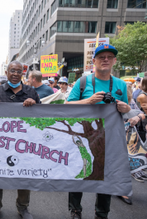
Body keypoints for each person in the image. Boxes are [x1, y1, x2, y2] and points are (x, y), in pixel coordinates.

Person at [66, 44, 131, 219]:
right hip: (86, 135)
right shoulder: (83, 82)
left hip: (110, 138)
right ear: (94, 60)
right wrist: (88, 101)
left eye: (110, 57)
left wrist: (125, 108)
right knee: (80, 169)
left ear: (114, 61)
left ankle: (101, 213)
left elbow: (126, 112)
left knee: (107, 175)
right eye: (102, 57)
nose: (106, 60)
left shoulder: (121, 85)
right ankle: (75, 209)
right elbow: (67, 106)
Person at [0, 60, 40, 219]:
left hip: (25, 143)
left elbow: (42, 116)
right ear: (7, 72)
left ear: (23, 73)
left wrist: (35, 104)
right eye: (12, 71)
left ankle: (23, 207)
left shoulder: (31, 91)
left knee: (24, 175)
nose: (15, 74)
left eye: (18, 71)